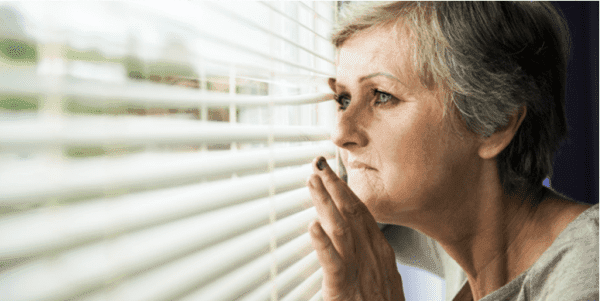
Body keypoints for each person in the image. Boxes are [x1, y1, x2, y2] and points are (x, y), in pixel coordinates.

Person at [305, 2, 598, 300]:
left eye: (382, 96)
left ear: (494, 124)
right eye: (343, 99)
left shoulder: (585, 278)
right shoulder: (466, 229)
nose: (340, 133)